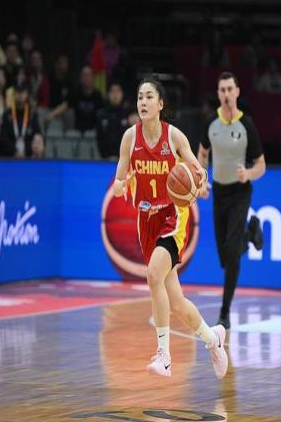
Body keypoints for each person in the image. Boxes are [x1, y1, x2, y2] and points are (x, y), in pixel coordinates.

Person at [113, 76, 228, 379]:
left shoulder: (173, 136)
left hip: (172, 217)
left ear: (161, 104)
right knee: (176, 302)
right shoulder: (129, 138)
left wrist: (200, 180)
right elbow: (119, 179)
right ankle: (213, 338)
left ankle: (164, 356)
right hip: (146, 221)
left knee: (153, 275)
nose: (143, 102)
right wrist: (120, 186)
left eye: (149, 97)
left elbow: (197, 169)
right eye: (140, 97)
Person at [197, 71, 265, 330]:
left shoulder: (247, 124)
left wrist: (248, 174)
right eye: (222, 90)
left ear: (237, 92)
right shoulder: (210, 123)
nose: (226, 94)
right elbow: (202, 154)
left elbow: (261, 165)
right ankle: (251, 233)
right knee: (224, 257)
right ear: (218, 94)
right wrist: (202, 179)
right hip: (219, 192)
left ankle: (224, 313)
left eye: (230, 89)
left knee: (232, 255)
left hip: (240, 192)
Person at [0, 81, 41, 158]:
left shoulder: (32, 114)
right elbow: (3, 138)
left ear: (26, 94)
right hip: (9, 157)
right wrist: (15, 152)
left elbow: (37, 134)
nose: (20, 95)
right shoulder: (7, 114)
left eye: (22, 92)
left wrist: (26, 152)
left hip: (28, 157)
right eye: (17, 92)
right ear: (14, 95)